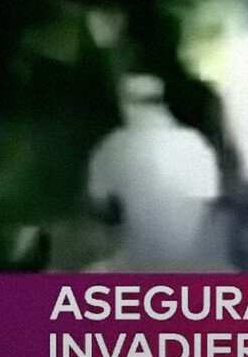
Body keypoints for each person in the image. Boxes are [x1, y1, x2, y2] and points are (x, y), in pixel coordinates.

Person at [86, 73, 224, 270]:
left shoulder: (111, 147)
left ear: (124, 104)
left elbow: (102, 210)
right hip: (195, 261)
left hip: (136, 263)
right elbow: (210, 208)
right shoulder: (195, 144)